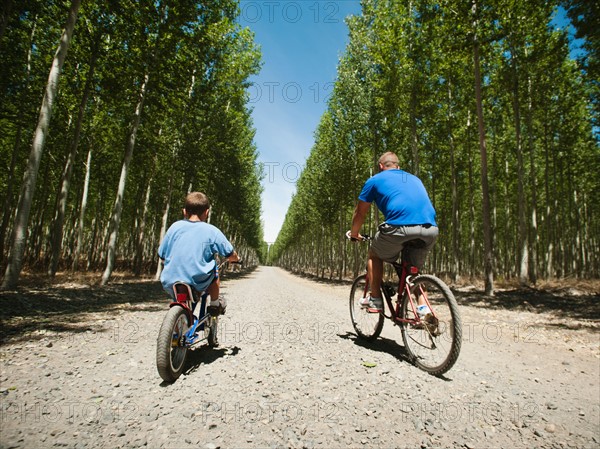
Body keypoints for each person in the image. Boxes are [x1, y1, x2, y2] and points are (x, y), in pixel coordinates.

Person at [349, 152, 438, 313]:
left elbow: (360, 213)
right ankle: (424, 309)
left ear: (381, 166)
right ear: (398, 166)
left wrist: (354, 234)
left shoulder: (374, 180)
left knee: (374, 255)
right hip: (430, 228)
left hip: (399, 227)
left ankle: (375, 300)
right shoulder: (414, 179)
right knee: (413, 271)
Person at [158, 191, 239, 315]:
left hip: (170, 280)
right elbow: (230, 253)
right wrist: (236, 258)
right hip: (198, 281)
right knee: (215, 271)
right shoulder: (212, 231)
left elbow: (162, 254)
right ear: (207, 212)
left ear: (184, 211)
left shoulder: (174, 227)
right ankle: (214, 304)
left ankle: (175, 327)